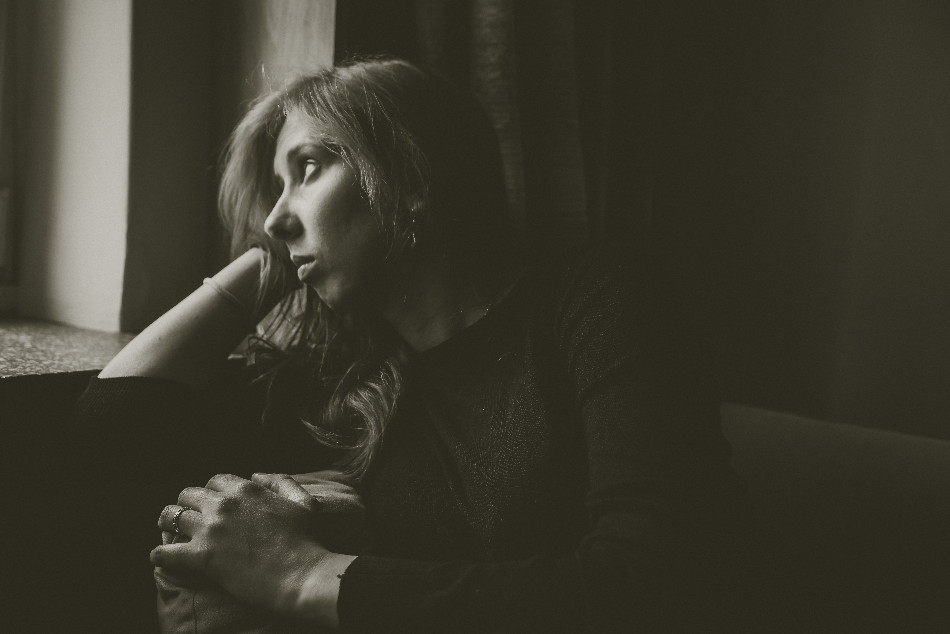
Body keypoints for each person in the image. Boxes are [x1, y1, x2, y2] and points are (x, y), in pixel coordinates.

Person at [72, 58, 751, 632]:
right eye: (276, 188)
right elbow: (115, 424)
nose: (275, 218)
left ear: (412, 174)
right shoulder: (345, 379)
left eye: (308, 168)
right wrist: (267, 264)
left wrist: (307, 576)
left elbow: (655, 580)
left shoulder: (599, 302)